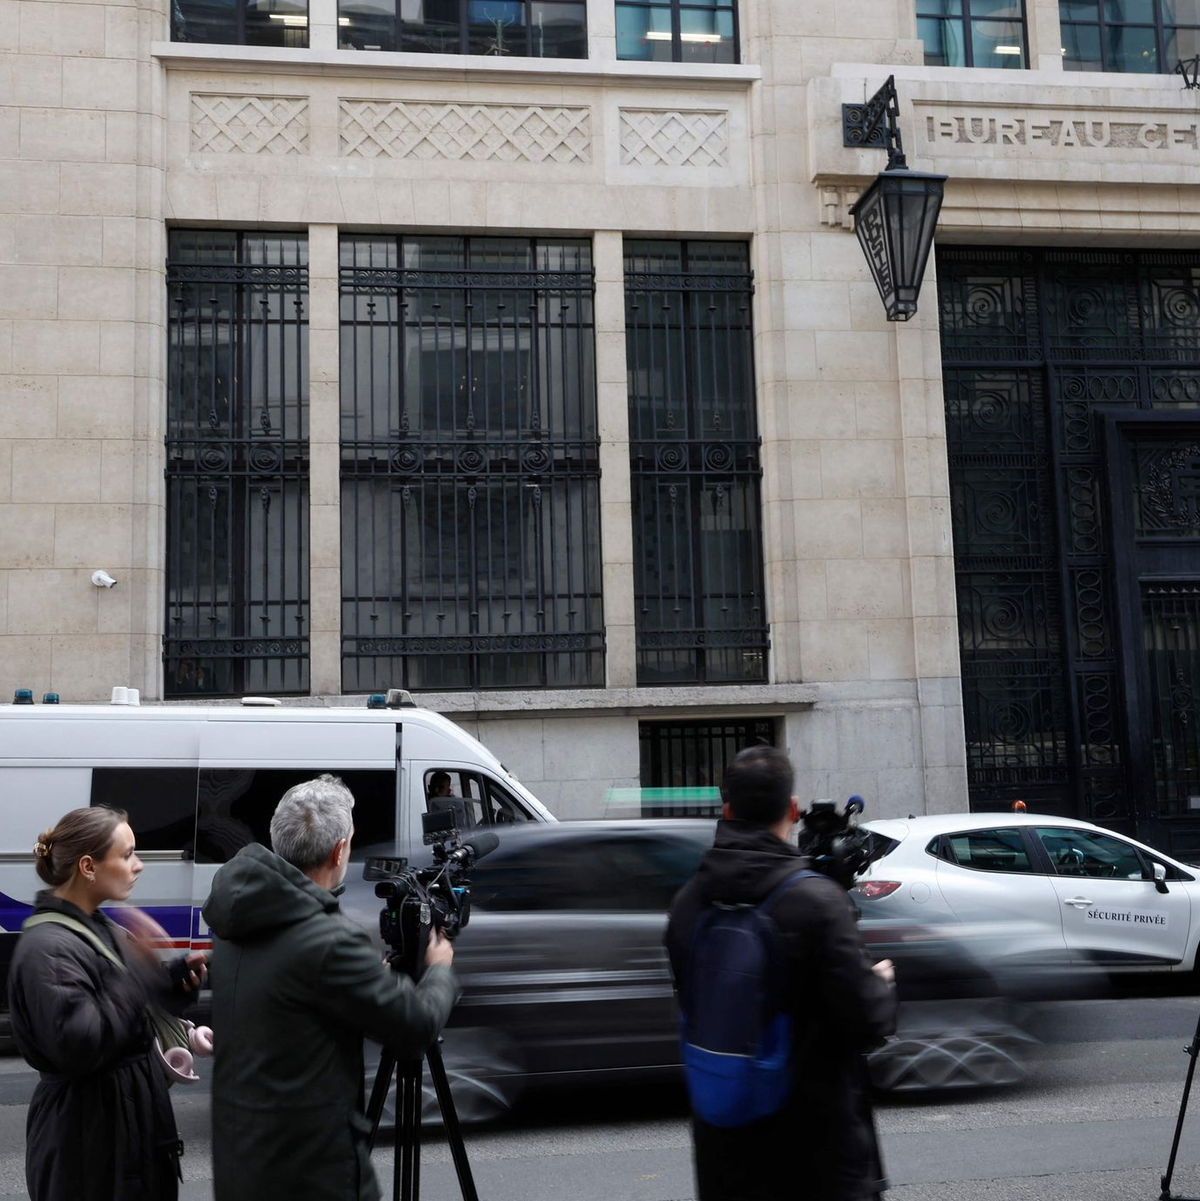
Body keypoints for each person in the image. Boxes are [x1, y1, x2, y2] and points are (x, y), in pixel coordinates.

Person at [203, 773, 459, 1201]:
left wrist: (362, 977)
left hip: (243, 1166)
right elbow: (415, 1026)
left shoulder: (236, 919)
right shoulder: (328, 941)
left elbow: (289, 1007)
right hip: (311, 1177)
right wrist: (439, 970)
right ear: (339, 850)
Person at [665, 747, 898, 1201]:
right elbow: (868, 1020)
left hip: (725, 1152)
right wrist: (881, 984)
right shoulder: (817, 903)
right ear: (792, 809)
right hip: (817, 1154)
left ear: (726, 810)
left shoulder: (687, 904)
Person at [7, 807, 208, 1201]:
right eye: (128, 854)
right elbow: (77, 1042)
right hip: (87, 1148)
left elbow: (126, 1004)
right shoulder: (48, 948)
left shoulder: (101, 927)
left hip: (122, 1137)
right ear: (88, 866)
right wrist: (139, 976)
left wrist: (173, 983)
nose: (139, 865)